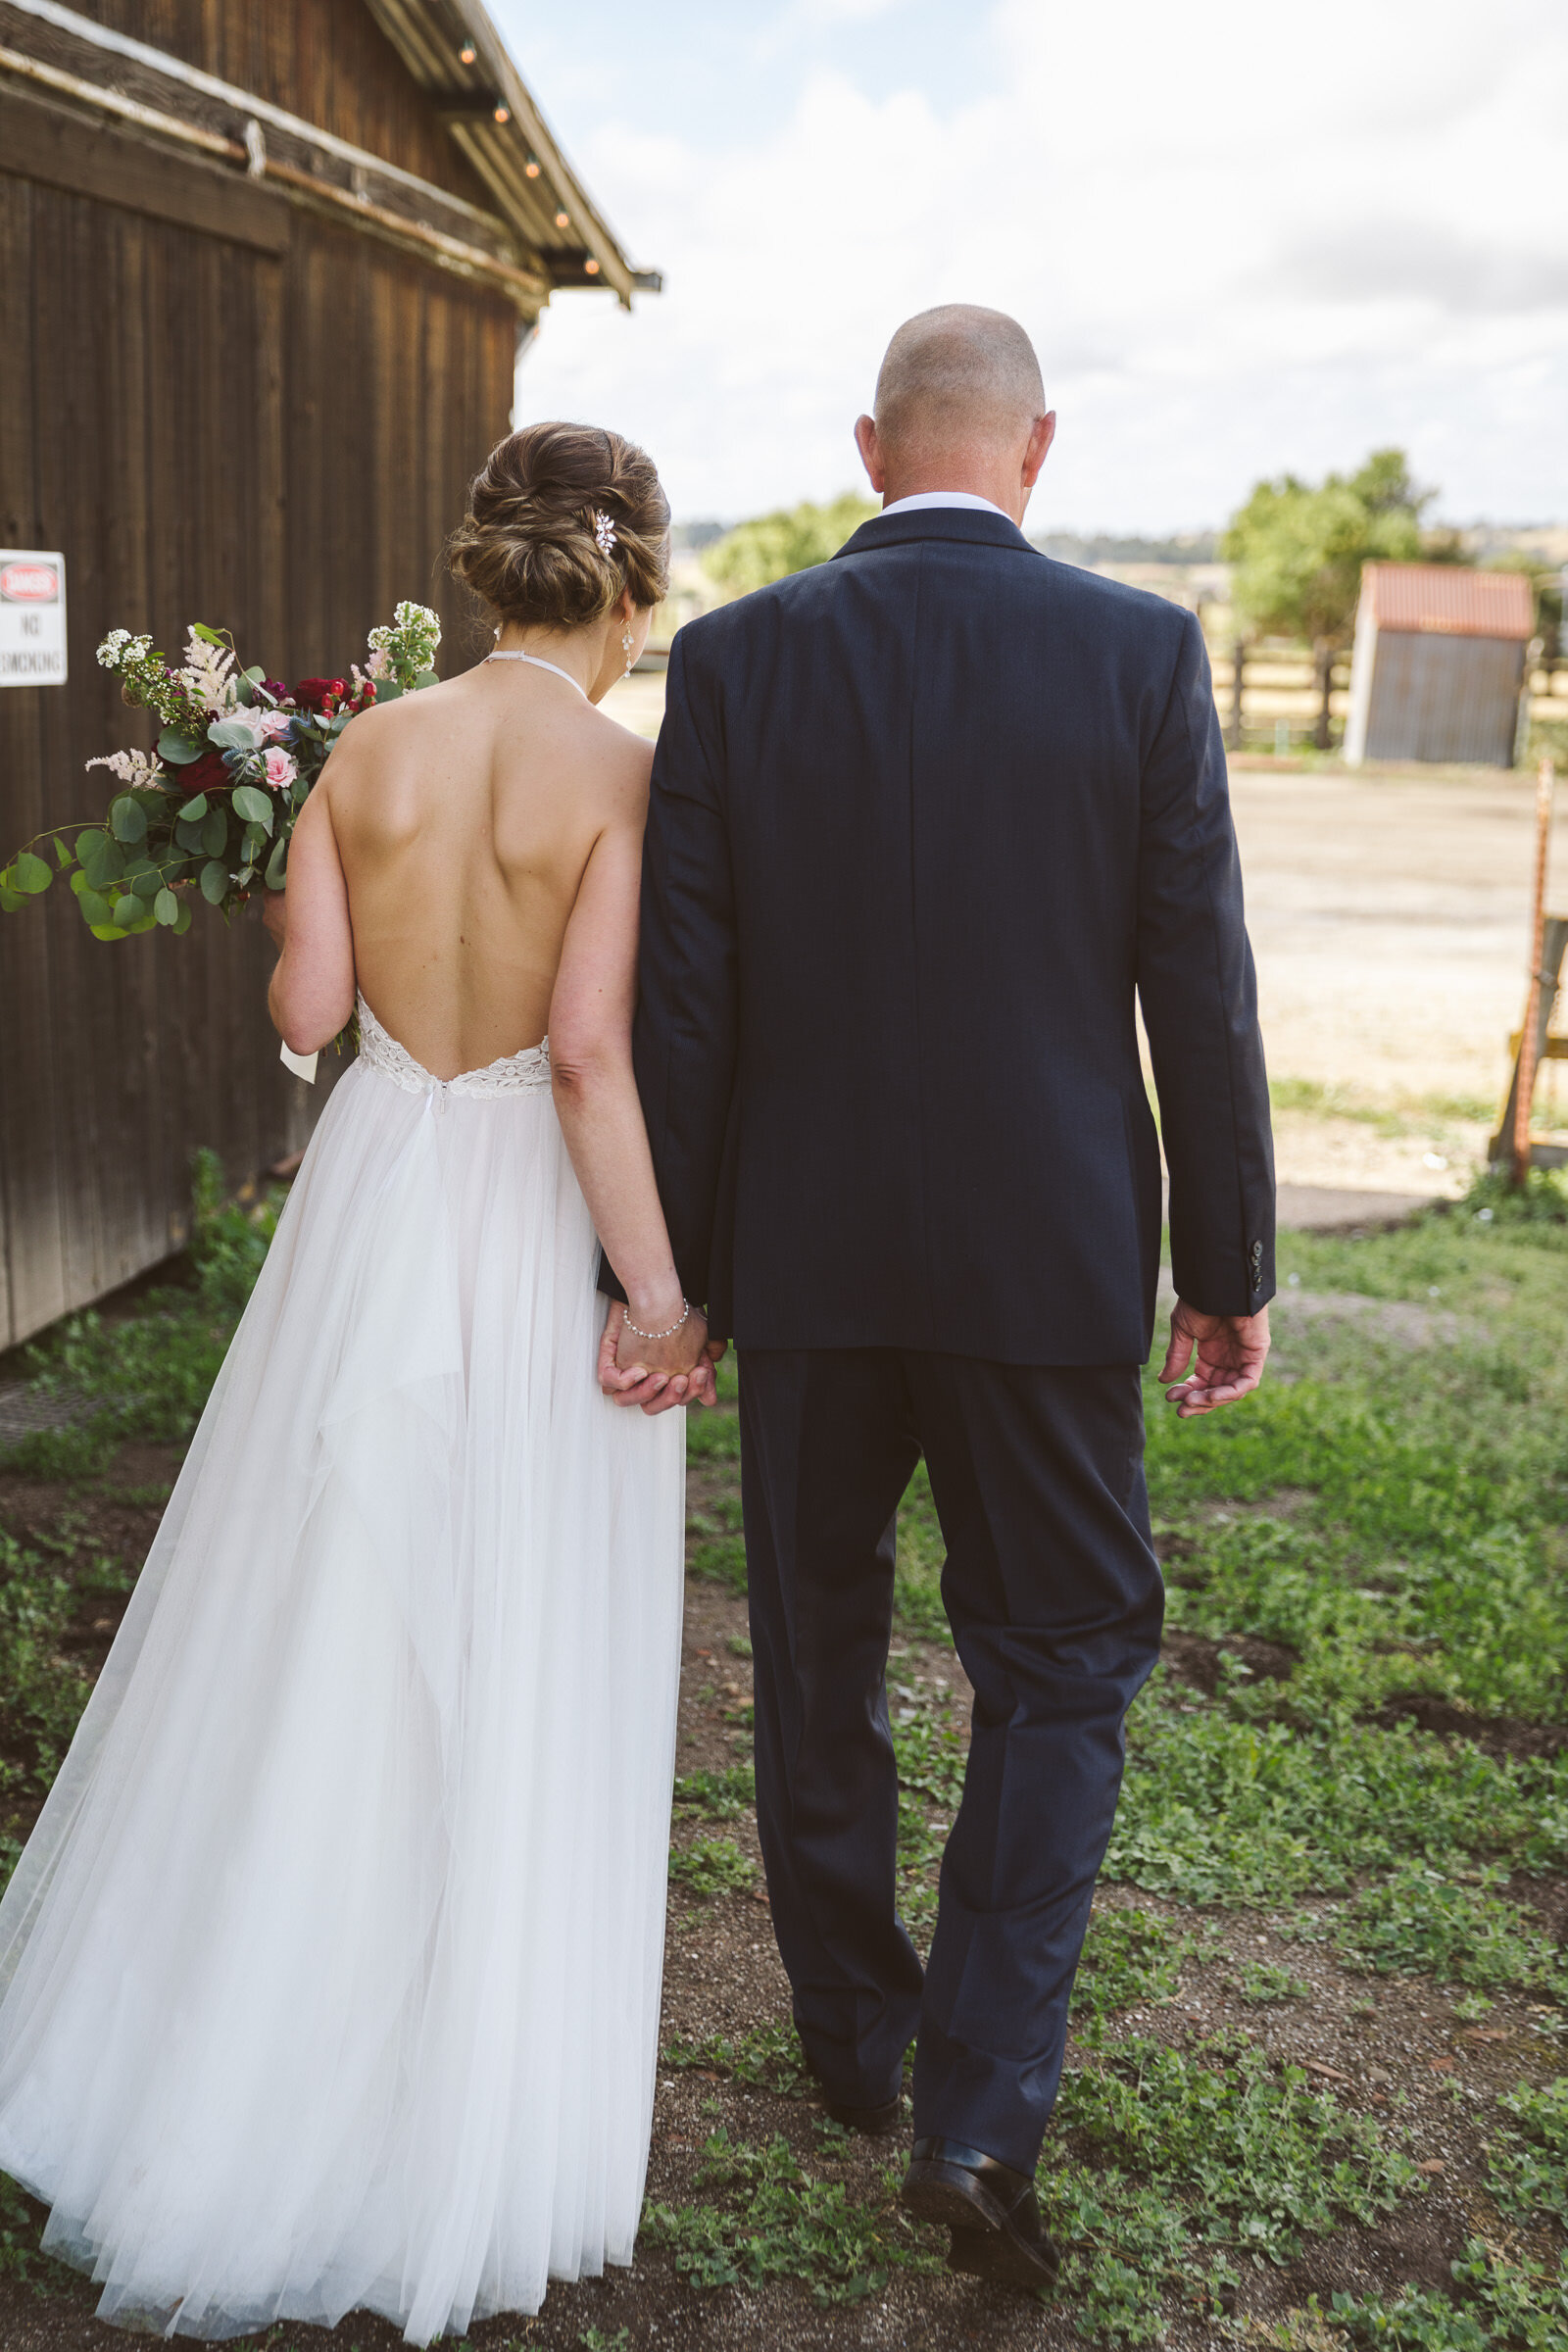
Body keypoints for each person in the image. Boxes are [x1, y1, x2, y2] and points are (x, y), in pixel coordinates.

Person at [0, 422, 713, 2344]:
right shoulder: (628, 775)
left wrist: (309, 922)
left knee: (324, 1613)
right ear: (629, 580)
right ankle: (454, 2083)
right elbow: (585, 1058)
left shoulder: (364, 753)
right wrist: (652, 1291)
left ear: (481, 568)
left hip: (381, 1199)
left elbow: (307, 1017)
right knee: (512, 1625)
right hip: (526, 1217)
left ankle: (248, 2031)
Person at [601, 304, 1275, 2288]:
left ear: (869, 447)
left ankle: (848, 2038)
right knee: (1058, 1659)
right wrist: (1222, 1270)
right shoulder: (1138, 651)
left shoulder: (732, 661)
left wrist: (671, 1278)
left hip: (801, 1261)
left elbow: (685, 1001)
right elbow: (1199, 989)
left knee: (817, 1647)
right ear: (1035, 451)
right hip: (1044, 1262)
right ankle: (976, 2108)